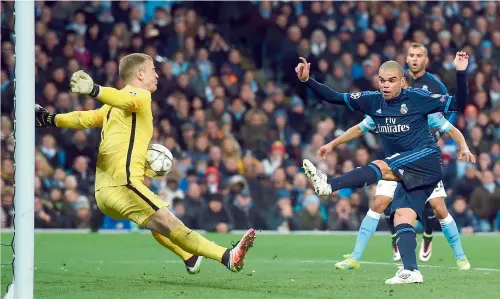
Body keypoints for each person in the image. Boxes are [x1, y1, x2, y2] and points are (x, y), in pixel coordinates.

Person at [35, 53, 255, 275]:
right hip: (123, 185)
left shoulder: (111, 106)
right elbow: (124, 100)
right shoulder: (139, 96)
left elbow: (83, 118)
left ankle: (189, 256)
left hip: (103, 192)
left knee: (154, 221)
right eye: (152, 70)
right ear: (140, 74)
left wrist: (50, 118)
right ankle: (227, 256)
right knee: (171, 223)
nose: (157, 75)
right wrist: (95, 89)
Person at [295, 52, 469, 284]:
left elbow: (459, 103)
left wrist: (460, 72)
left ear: (402, 82)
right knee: (402, 217)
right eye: (382, 80)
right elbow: (334, 97)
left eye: (391, 80)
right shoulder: (372, 101)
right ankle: (411, 270)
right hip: (407, 171)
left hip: (426, 160)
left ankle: (329, 185)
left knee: (381, 166)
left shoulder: (417, 98)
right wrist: (308, 81)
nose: (386, 85)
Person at [405, 43, 455, 261]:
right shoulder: (400, 80)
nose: (415, 59)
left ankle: (427, 234)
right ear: (406, 59)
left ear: (425, 60)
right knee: (395, 198)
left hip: (426, 147)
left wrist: (439, 133)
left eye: (419, 56)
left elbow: (450, 110)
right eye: (411, 55)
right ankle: (405, 238)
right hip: (403, 146)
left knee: (434, 203)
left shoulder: (435, 85)